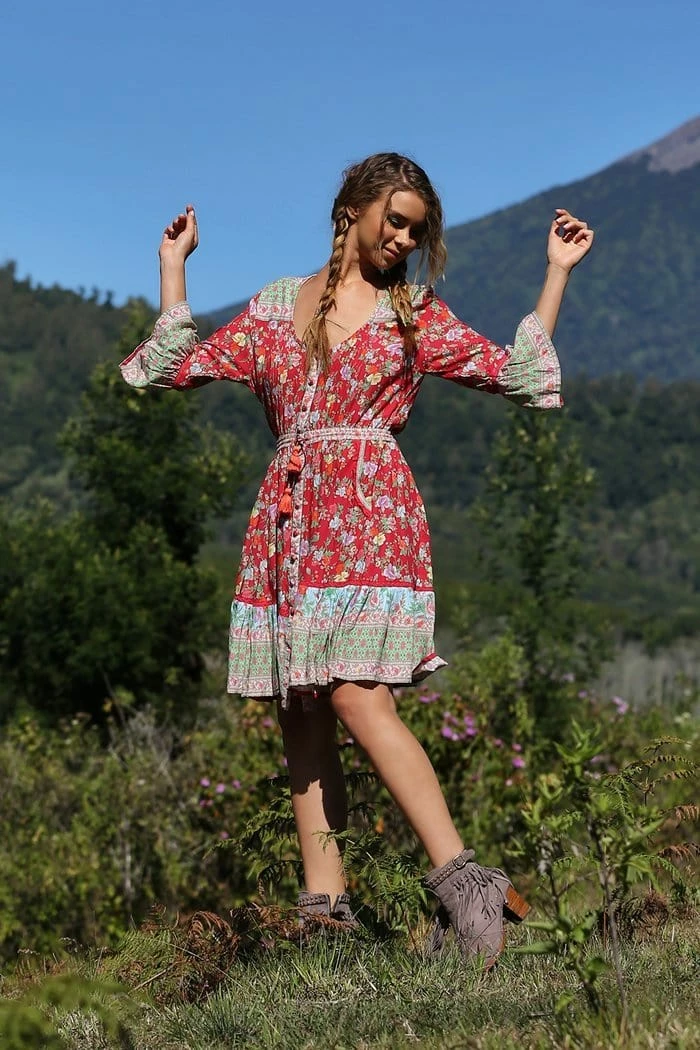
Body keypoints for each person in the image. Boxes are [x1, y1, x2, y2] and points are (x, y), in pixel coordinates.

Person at [120, 153, 594, 966]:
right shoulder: (274, 307)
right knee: (300, 714)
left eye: (416, 231)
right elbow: (175, 368)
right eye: (396, 222)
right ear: (353, 209)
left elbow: (516, 374)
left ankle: (468, 884)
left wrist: (557, 273)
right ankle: (327, 919)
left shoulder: (413, 313)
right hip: (290, 525)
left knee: (354, 697)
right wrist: (173, 266)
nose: (404, 240)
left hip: (370, 517)